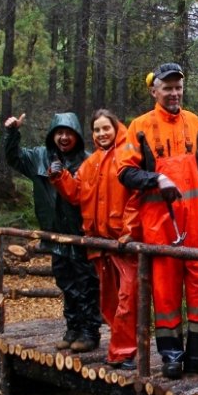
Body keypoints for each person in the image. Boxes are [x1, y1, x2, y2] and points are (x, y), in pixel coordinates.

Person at [117, 62, 198, 379]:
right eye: (168, 87)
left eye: (178, 86)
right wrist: (156, 179)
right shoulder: (139, 126)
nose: (174, 92)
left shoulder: (193, 122)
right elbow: (125, 173)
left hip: (196, 223)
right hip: (159, 223)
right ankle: (171, 356)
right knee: (166, 293)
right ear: (155, 91)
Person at [2, 112, 102, 352]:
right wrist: (12, 133)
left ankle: (90, 332)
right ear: (52, 135)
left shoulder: (89, 161)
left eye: (69, 133)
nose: (64, 137)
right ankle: (73, 328)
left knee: (86, 284)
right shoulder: (39, 157)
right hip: (54, 236)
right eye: (59, 133)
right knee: (65, 282)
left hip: (81, 235)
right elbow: (13, 158)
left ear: (77, 135)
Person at [51, 109, 139, 370]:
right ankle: (119, 349)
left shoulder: (128, 155)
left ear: (116, 128)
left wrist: (129, 229)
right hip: (99, 244)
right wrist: (60, 177)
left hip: (123, 243)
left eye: (106, 128)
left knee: (127, 299)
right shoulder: (90, 163)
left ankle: (124, 353)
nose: (102, 134)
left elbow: (137, 197)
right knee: (109, 302)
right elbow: (77, 194)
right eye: (97, 130)